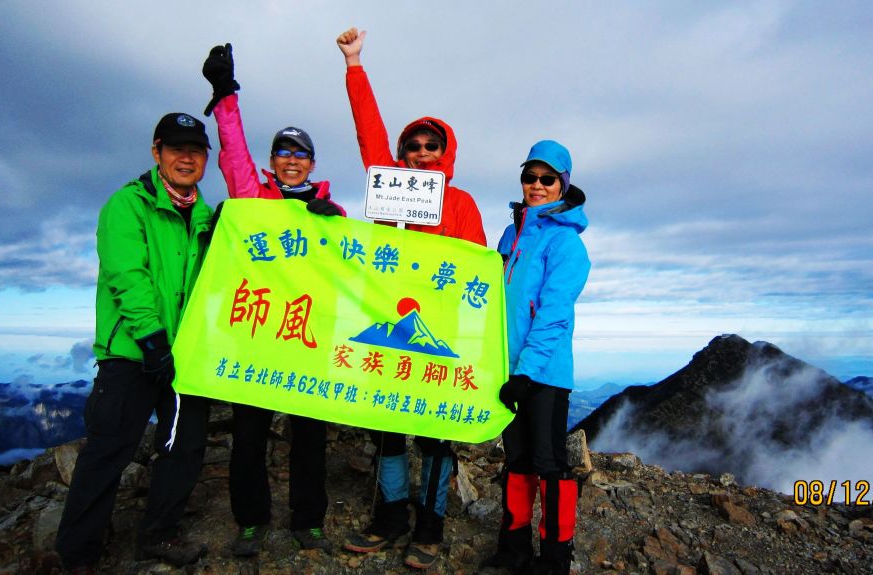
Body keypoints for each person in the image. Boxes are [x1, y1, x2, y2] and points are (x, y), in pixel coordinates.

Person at [335, 27, 487, 570]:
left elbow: (475, 275)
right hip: (388, 326)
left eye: (431, 145)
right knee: (388, 430)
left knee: (436, 436)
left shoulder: (462, 203)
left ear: (446, 152)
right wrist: (355, 64)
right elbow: (367, 133)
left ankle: (431, 524)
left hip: (439, 332)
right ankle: (390, 516)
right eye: (412, 146)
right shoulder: (388, 187)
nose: (420, 153)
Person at [200, 43, 346, 557]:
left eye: (299, 153)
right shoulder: (252, 198)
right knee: (248, 436)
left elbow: (356, 271)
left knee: (309, 439)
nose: (290, 160)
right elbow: (234, 153)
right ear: (272, 162)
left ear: (312, 163)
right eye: (282, 152)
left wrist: (338, 227)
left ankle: (308, 522)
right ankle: (250, 520)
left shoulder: (332, 211)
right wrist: (225, 95)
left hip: (307, 341)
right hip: (257, 336)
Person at [54, 113, 214, 573]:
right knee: (108, 451)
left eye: (196, 150)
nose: (186, 158)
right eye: (176, 148)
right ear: (156, 152)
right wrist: (152, 340)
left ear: (205, 159)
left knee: (184, 448)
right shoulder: (127, 205)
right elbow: (129, 276)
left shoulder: (207, 217)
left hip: (184, 358)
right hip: (130, 353)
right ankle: (75, 555)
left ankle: (158, 535)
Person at [483, 140, 590, 575]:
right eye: (530, 177)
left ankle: (555, 559)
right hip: (510, 370)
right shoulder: (512, 234)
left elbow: (552, 316)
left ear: (563, 185)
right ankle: (514, 550)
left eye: (548, 179)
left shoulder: (567, 245)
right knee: (518, 461)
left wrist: (526, 372)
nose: (537, 185)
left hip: (544, 373)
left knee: (550, 465)